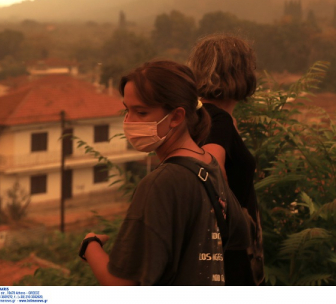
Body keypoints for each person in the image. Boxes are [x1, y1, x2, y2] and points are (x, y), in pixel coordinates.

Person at [79, 60, 249, 285]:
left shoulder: (161, 183)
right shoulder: (209, 165)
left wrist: (90, 246)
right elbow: (239, 233)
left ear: (177, 117)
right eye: (127, 110)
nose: (129, 122)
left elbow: (121, 286)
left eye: (141, 112)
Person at [188, 33, 265, 285]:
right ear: (241, 73)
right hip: (228, 255)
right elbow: (209, 170)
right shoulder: (217, 120)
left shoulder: (202, 116)